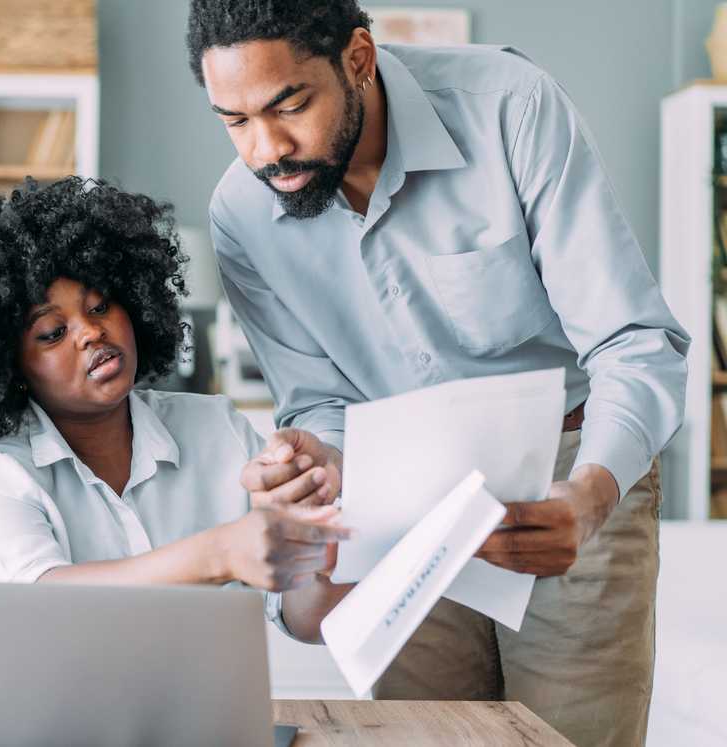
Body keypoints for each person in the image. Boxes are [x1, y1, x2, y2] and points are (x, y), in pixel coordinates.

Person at [185, 2, 689, 745]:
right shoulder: (240, 213)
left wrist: (587, 498)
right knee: (419, 733)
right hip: (398, 489)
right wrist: (317, 457)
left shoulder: (509, 107)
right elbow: (318, 401)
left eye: (288, 105)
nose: (266, 150)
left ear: (359, 57)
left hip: (570, 465)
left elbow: (633, 342)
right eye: (235, 120)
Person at [0, 176, 348, 635]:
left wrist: (313, 553)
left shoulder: (215, 429)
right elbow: (31, 607)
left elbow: (309, 619)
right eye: (53, 333)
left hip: (209, 714)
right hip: (54, 718)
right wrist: (219, 553)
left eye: (100, 307)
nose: (91, 332)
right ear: (4, 364)